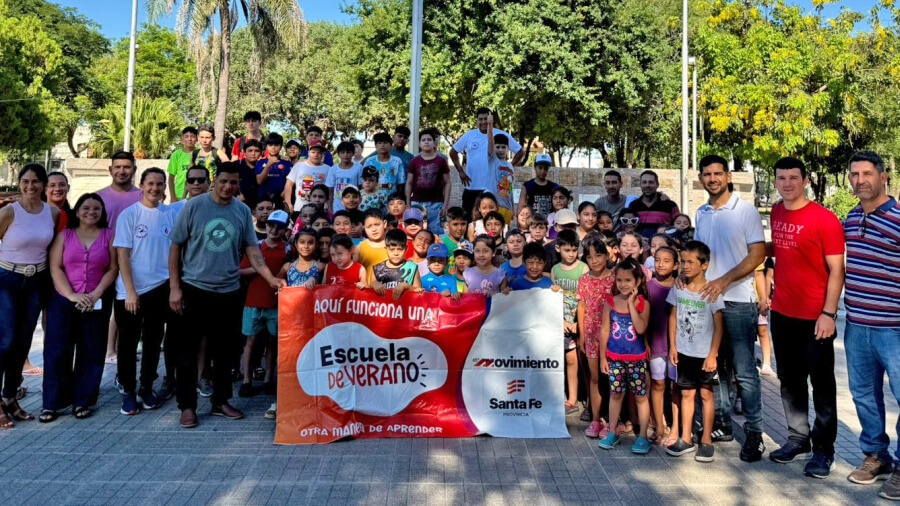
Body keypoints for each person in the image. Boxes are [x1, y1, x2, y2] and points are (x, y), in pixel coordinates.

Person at [168, 162, 286, 429]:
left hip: (229, 291)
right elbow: (175, 247)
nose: (228, 187)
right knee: (187, 352)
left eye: (233, 182)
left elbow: (254, 253)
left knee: (224, 351)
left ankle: (221, 401)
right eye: (223, 181)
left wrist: (271, 279)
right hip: (193, 288)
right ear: (214, 180)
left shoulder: (242, 211)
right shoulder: (194, 206)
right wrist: (175, 288)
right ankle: (187, 406)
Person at [761, 157, 845, 477]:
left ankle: (824, 450)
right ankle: (799, 439)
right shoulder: (778, 211)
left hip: (816, 317)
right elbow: (783, 250)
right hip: (782, 313)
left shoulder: (825, 219)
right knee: (790, 382)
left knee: (821, 386)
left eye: (793, 178)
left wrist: (829, 313)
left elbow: (837, 269)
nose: (787, 183)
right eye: (781, 178)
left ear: (805, 180)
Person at [693, 154, 767, 462]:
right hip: (708, 303)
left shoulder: (746, 211)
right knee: (716, 368)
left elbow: (758, 255)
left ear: (728, 176)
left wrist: (723, 281)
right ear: (701, 179)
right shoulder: (701, 212)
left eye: (717, 173)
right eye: (707, 174)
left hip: (737, 300)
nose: (712, 178)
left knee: (744, 371)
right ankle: (722, 424)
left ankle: (754, 433)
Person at [840, 151, 900, 499]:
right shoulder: (850, 218)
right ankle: (876, 456)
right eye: (854, 174)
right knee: (864, 395)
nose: (860, 180)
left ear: (883, 176)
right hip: (857, 324)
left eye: (866, 173)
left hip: (894, 327)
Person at [43, 193, 117, 422]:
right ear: (77, 211)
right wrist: (72, 295)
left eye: (96, 209)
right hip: (64, 300)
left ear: (102, 213)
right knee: (57, 351)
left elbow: (113, 269)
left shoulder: (109, 236)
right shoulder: (64, 236)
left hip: (96, 301)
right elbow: (55, 268)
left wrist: (95, 294)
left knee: (92, 351)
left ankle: (82, 400)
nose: (91, 212)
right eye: (86, 207)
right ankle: (51, 404)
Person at [0, 164, 60, 427]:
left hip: (36, 281)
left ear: (43, 184)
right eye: (25, 181)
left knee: (23, 343)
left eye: (36, 181)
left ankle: (10, 397)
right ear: (19, 182)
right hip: (7, 280)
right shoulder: (8, 212)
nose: (30, 186)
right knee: (5, 341)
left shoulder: (53, 212)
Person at [114, 168, 177, 415]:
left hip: (160, 288)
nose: (155, 188)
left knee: (153, 342)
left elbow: (174, 252)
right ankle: (128, 391)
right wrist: (130, 291)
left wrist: (173, 286)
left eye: (159, 184)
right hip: (131, 291)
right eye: (150, 183)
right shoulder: (129, 214)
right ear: (141, 185)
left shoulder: (169, 214)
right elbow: (122, 255)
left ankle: (146, 387)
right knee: (128, 343)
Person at [665, 241, 725, 463]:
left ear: (705, 264)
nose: (685, 266)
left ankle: (707, 440)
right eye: (682, 262)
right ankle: (685, 437)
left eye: (691, 262)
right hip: (684, 351)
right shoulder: (678, 288)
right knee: (686, 394)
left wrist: (713, 355)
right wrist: (673, 345)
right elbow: (673, 316)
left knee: (706, 394)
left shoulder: (712, 291)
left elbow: (719, 325)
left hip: (704, 354)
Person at [238, 211, 291, 415]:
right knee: (250, 340)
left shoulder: (287, 249)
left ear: (286, 229)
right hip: (253, 300)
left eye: (279, 226)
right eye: (271, 225)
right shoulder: (256, 247)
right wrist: (259, 269)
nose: (274, 229)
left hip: (276, 303)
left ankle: (270, 377)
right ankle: (247, 379)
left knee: (272, 341)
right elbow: (240, 270)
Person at [598, 258, 652, 454]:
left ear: (637, 282)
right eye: (619, 280)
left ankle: (643, 436)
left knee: (640, 396)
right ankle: (612, 432)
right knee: (616, 394)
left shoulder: (642, 303)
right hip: (615, 358)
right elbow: (605, 330)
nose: (623, 284)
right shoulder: (610, 302)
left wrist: (631, 304)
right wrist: (603, 357)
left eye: (628, 280)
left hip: (636, 359)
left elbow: (640, 327)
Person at [97, 151, 142, 366]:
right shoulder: (98, 198)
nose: (122, 171)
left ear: (134, 169)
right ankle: (104, 352)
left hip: (133, 265)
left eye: (126, 167)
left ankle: (123, 360)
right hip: (103, 266)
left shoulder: (143, 197)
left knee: (126, 314)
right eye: (117, 167)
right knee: (101, 314)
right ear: (110, 169)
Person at [451, 108, 525, 218]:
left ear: (491, 119)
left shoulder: (500, 135)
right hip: (472, 188)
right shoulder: (470, 135)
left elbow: (520, 151)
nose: (483, 122)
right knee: (469, 223)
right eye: (480, 119)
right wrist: (461, 171)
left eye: (486, 119)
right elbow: (453, 152)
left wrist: (507, 167)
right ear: (477, 120)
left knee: (491, 224)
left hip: (493, 190)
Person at [577, 236, 615, 438]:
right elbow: (581, 307)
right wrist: (582, 335)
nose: (594, 261)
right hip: (591, 334)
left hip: (613, 335)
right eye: (590, 257)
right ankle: (595, 418)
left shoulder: (615, 279)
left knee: (611, 379)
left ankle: (611, 420)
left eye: (599, 255)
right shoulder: (584, 279)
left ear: (607, 256)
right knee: (594, 377)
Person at [552, 229, 588, 415]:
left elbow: (587, 298)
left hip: (578, 321)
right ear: (558, 248)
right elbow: (552, 299)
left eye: (574, 250)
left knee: (574, 361)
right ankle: (560, 396)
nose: (571, 254)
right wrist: (560, 321)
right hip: (561, 322)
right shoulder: (555, 269)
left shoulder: (583, 268)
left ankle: (573, 398)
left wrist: (577, 324)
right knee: (560, 360)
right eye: (567, 250)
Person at [648, 246, 678, 446]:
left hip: (677, 347)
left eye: (667, 260)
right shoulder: (648, 286)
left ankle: (676, 427)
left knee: (676, 386)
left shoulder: (681, 287)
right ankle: (659, 425)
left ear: (676, 265)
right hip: (655, 344)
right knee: (658, 384)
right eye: (657, 259)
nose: (661, 264)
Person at [406, 128, 451, 234]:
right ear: (419, 144)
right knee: (417, 232)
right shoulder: (414, 161)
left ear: (434, 143)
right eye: (423, 140)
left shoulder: (441, 161)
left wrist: (445, 205)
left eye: (429, 139)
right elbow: (409, 183)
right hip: (416, 203)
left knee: (435, 234)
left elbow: (447, 183)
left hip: (436, 204)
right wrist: (408, 204)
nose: (426, 142)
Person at [626, 170, 680, 239]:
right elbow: (629, 229)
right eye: (644, 182)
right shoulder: (633, 206)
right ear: (640, 185)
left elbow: (679, 228)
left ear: (657, 184)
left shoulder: (670, 206)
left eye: (651, 182)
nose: (647, 185)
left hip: (662, 248)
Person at [370, 229, 421, 300]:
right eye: (392, 249)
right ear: (386, 249)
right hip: (383, 309)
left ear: (406, 248)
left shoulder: (412, 268)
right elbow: (369, 296)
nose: (396, 253)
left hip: (404, 309)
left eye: (400, 249)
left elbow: (420, 293)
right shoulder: (377, 269)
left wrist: (406, 286)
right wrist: (373, 284)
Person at [284, 142, 329, 214]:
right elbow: (289, 183)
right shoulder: (299, 165)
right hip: (300, 208)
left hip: (321, 209)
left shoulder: (328, 169)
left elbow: (330, 189)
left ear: (323, 154)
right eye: (313, 152)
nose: (316, 155)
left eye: (319, 153)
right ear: (308, 153)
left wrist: (329, 206)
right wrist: (288, 203)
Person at [365, 133, 407, 201]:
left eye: (385, 142)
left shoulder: (397, 161)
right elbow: (364, 181)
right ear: (375, 146)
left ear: (390, 145)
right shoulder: (369, 161)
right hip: (372, 199)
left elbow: (401, 184)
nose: (382, 145)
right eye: (379, 143)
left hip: (392, 199)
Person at [326, 141, 363, 213]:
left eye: (348, 152)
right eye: (342, 152)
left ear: (352, 153)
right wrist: (330, 206)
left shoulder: (358, 168)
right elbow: (330, 190)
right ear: (338, 154)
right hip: (337, 208)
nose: (345, 155)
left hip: (353, 207)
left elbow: (361, 188)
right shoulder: (333, 169)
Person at [255, 133, 292, 202]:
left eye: (276, 145)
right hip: (263, 200)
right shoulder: (260, 162)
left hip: (281, 200)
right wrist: (268, 165)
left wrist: (285, 193)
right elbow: (259, 181)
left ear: (281, 147)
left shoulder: (287, 163)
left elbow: (290, 182)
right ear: (266, 147)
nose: (273, 147)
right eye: (270, 145)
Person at [167, 126, 198, 202]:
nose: (189, 139)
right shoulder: (176, 155)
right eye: (186, 136)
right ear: (182, 139)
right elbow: (171, 178)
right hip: (179, 196)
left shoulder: (200, 153)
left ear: (197, 139)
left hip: (197, 195)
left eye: (192, 136)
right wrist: (173, 196)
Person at [358, 209, 389, 280]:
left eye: (377, 225)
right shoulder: (360, 248)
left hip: (389, 289)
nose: (374, 229)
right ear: (364, 228)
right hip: (367, 290)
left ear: (384, 224)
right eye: (369, 226)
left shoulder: (393, 245)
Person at [441, 207, 467, 274]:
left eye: (463, 224)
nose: (460, 228)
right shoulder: (441, 243)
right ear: (447, 225)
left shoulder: (467, 244)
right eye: (455, 224)